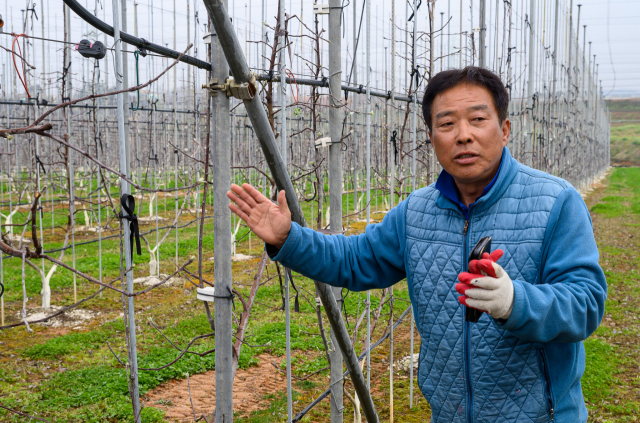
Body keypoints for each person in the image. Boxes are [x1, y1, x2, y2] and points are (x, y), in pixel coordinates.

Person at [227, 66, 607, 423]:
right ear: (431, 137)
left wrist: (514, 301)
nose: (463, 134)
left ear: (504, 129)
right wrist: (289, 238)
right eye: (446, 123)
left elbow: (586, 303)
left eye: (478, 119)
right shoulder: (417, 211)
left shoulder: (555, 203)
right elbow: (356, 260)